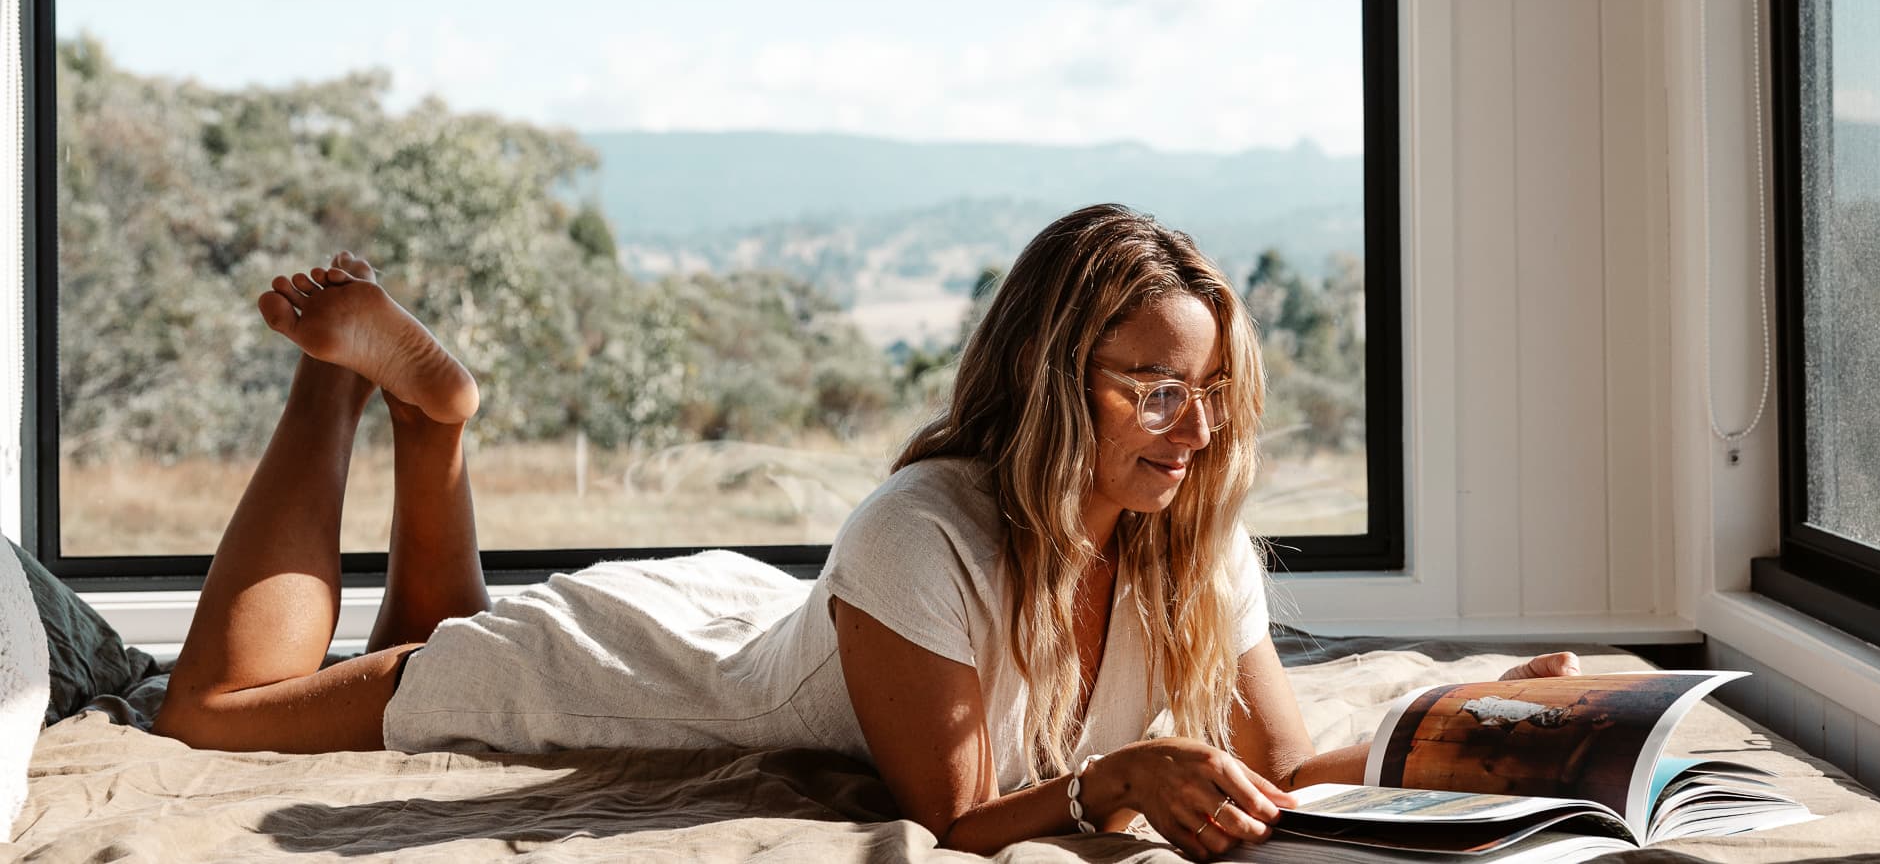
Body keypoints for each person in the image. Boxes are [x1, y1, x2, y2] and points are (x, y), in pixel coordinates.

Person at [153, 203, 1577, 857]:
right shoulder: (924, 531)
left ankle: (439, 419)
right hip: (618, 664)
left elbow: (1284, 766)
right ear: (1046, 373)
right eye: (1155, 388)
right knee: (219, 709)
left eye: (1211, 392)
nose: (1193, 431)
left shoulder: (1189, 539)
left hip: (763, 616)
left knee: (416, 645)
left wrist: (1487, 722)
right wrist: (1113, 779)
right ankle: (340, 386)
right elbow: (957, 815)